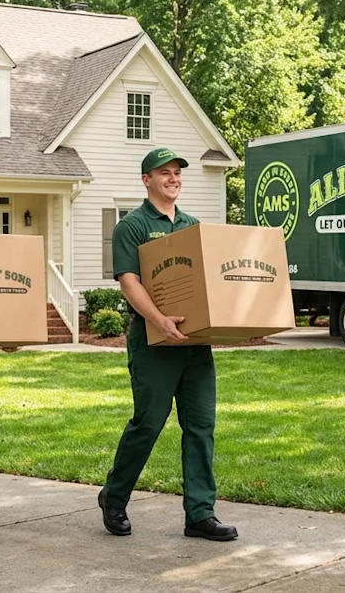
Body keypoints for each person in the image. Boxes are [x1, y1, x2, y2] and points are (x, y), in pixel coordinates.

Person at [97, 147, 239, 542]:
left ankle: (200, 513)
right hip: (153, 342)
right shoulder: (133, 227)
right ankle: (114, 497)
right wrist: (158, 319)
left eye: (177, 172)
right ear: (147, 180)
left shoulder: (193, 226)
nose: (173, 178)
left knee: (200, 426)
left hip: (195, 344)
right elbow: (129, 282)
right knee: (148, 423)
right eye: (165, 173)